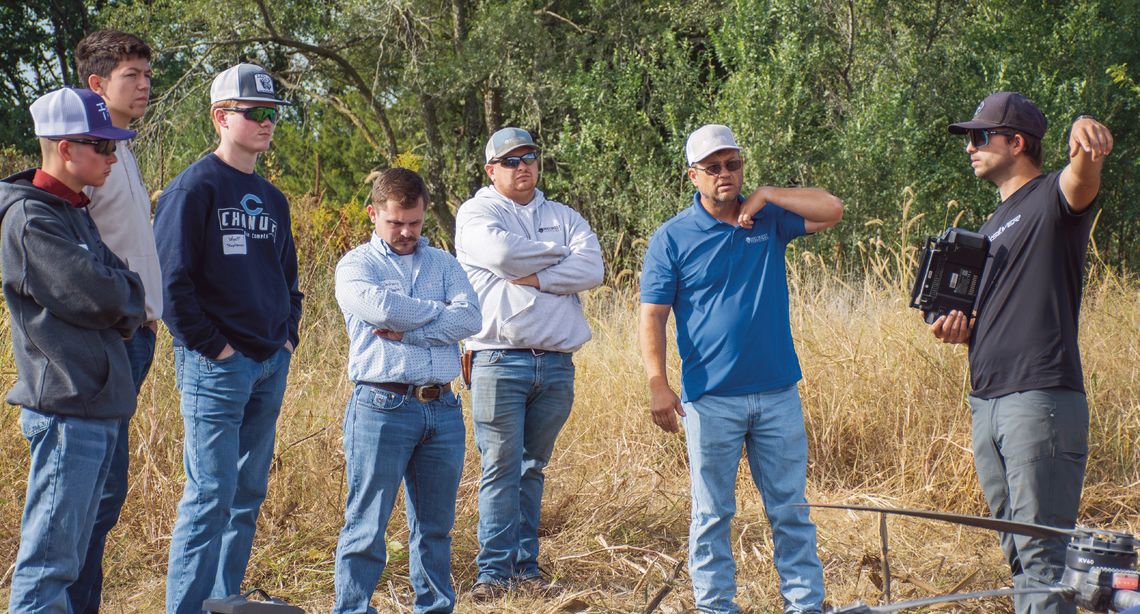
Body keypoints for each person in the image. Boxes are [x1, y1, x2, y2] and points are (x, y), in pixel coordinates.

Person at [639, 124, 843, 614]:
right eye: (713, 167)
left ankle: (804, 606)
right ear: (693, 175)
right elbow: (652, 314)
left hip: (777, 393)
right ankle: (715, 608)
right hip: (710, 399)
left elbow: (832, 209)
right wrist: (657, 385)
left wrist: (769, 193)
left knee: (791, 511)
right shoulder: (671, 238)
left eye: (733, 164)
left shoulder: (770, 217)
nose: (725, 174)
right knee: (712, 514)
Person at [932, 92, 1113, 614]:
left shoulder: (1050, 200)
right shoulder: (987, 231)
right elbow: (989, 317)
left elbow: (1081, 181)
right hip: (986, 402)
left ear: (1016, 142)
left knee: (1042, 557)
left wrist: (1083, 132)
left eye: (979, 136)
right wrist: (956, 329)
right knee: (1018, 555)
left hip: (1039, 399)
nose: (970, 147)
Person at [154, 63, 303, 614]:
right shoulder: (193, 189)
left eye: (273, 114)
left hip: (268, 363)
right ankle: (186, 608)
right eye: (255, 113)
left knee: (246, 497)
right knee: (209, 496)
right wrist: (216, 348)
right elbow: (170, 285)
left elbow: (290, 280)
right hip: (216, 367)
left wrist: (287, 337)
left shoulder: (272, 198)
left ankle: (224, 603)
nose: (267, 123)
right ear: (221, 117)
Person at [1, 87, 145, 613]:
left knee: (73, 554)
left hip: (96, 405)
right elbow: (101, 293)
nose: (111, 158)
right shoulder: (31, 219)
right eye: (101, 147)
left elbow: (127, 287)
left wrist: (119, 296)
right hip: (66, 408)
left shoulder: (74, 212)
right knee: (50, 565)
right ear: (65, 147)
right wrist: (119, 296)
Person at [454, 127, 604, 600]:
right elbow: (499, 253)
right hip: (498, 358)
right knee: (501, 466)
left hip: (556, 363)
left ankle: (525, 569)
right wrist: (561, 259)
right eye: (511, 160)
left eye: (530, 157)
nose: (523, 167)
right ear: (491, 169)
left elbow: (594, 268)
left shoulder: (562, 215)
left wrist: (533, 275)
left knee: (532, 467)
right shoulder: (478, 212)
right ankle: (493, 575)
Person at [330, 168, 482, 614]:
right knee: (367, 523)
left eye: (414, 222)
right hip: (382, 404)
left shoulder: (444, 263)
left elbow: (471, 318)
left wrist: (411, 330)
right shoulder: (357, 265)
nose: (406, 232)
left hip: (444, 406)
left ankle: (434, 608)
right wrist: (439, 315)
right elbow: (379, 307)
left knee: (435, 527)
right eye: (396, 222)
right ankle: (353, 609)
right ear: (373, 213)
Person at [69, 29, 161, 612]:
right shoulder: (86, 155)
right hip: (106, 341)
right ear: (98, 84)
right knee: (90, 494)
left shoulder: (120, 149)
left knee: (107, 494)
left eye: (149, 75)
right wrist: (124, 317)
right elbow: (76, 255)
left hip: (137, 337)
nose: (146, 85)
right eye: (134, 76)